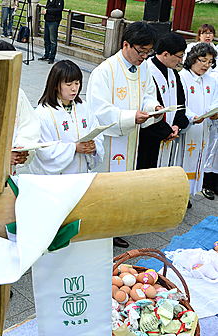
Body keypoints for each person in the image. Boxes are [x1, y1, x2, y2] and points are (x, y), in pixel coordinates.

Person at [86, 21, 162, 247]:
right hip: (109, 141)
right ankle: (99, 228)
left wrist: (153, 108)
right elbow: (98, 110)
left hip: (130, 139)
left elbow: (148, 94)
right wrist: (130, 118)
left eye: (149, 52)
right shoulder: (105, 71)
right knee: (107, 184)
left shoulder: (144, 67)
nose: (145, 57)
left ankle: (115, 226)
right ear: (126, 44)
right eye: (141, 51)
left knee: (125, 181)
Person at [30, 60, 104, 175]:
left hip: (81, 174)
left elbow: (97, 133)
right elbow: (44, 150)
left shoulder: (83, 107)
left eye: (77, 83)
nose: (74, 88)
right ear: (55, 85)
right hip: (57, 181)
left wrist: (93, 146)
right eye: (69, 84)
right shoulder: (43, 113)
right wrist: (74, 148)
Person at [0, 40, 40, 169]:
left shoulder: (17, 93)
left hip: (8, 173)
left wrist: (20, 148)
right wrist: (2, 157)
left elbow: (28, 126)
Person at [137, 32, 189, 170]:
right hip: (149, 139)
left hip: (169, 134)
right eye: (179, 56)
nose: (181, 61)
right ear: (165, 54)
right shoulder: (146, 71)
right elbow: (145, 106)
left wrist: (177, 125)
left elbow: (180, 103)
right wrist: (165, 131)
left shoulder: (173, 74)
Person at [178, 42, 218, 203]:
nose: (206, 65)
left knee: (198, 161)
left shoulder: (211, 81)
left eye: (210, 62)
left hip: (204, 130)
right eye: (203, 60)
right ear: (193, 58)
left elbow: (214, 102)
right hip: (187, 129)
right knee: (181, 160)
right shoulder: (182, 77)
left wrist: (214, 113)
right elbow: (180, 103)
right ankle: (178, 193)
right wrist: (192, 117)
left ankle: (189, 192)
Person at [39, 0, 64, 64]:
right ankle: (46, 53)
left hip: (54, 20)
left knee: (53, 40)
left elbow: (59, 9)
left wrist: (48, 11)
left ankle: (52, 56)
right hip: (47, 19)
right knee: (46, 38)